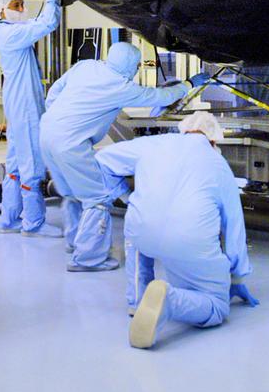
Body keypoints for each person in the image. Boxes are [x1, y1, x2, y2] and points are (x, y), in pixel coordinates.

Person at [95, 113, 256, 350]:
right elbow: (234, 226)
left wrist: (126, 197)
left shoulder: (152, 144)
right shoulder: (218, 165)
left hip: (141, 230)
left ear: (184, 130)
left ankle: (138, 301)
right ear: (214, 141)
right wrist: (238, 275)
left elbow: (102, 159)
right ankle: (170, 301)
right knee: (216, 306)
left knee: (139, 228)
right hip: (190, 240)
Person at [40, 42, 201, 271]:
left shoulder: (86, 67)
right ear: (128, 65)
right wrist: (189, 83)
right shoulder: (120, 86)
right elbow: (161, 96)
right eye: (136, 65)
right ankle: (88, 259)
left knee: (72, 192)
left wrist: (62, 118)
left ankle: (75, 241)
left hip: (47, 130)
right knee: (97, 198)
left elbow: (55, 92)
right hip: (71, 143)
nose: (136, 69)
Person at [0, 0, 61, 236]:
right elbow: (48, 23)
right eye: (16, 5)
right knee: (31, 161)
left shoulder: (8, 30)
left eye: (22, 5)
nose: (21, 10)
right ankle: (34, 223)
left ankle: (9, 219)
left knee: (15, 162)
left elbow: (37, 23)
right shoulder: (12, 34)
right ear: (1, 9)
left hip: (17, 101)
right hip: (25, 106)